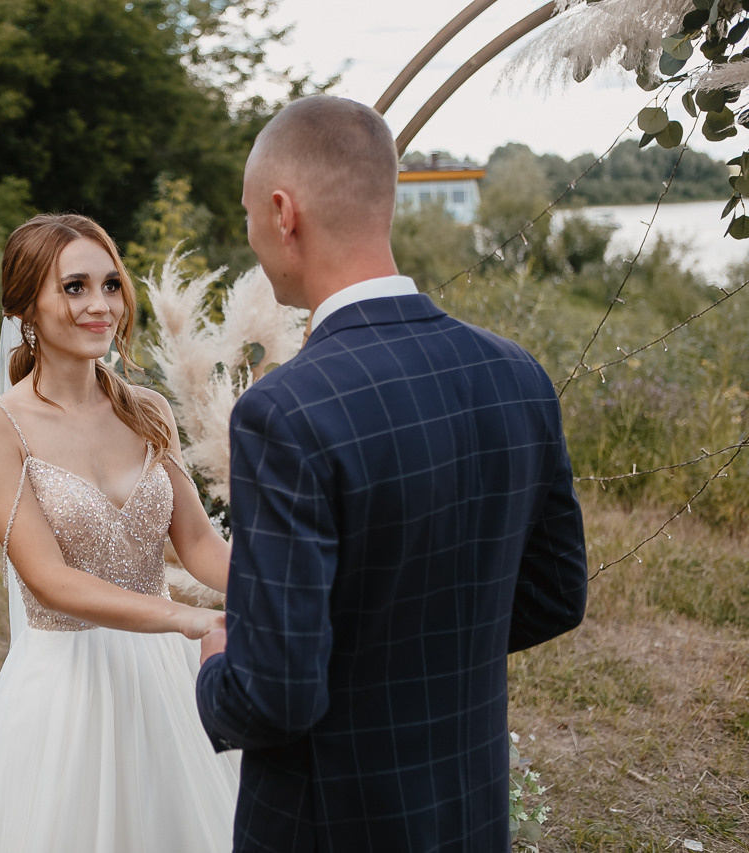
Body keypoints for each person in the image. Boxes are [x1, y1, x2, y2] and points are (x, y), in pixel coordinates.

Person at [195, 95, 588, 851]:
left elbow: (273, 693)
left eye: (247, 214)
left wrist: (216, 667)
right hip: (468, 806)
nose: (250, 235)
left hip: (333, 821)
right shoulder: (517, 372)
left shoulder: (285, 410)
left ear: (284, 213)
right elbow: (555, 595)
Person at [0, 213, 239, 853]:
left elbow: (195, 545)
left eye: (110, 284)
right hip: (66, 683)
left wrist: (281, 579)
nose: (100, 305)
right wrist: (185, 619)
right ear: (27, 304)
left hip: (166, 675)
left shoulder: (147, 410)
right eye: (74, 287)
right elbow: (49, 581)